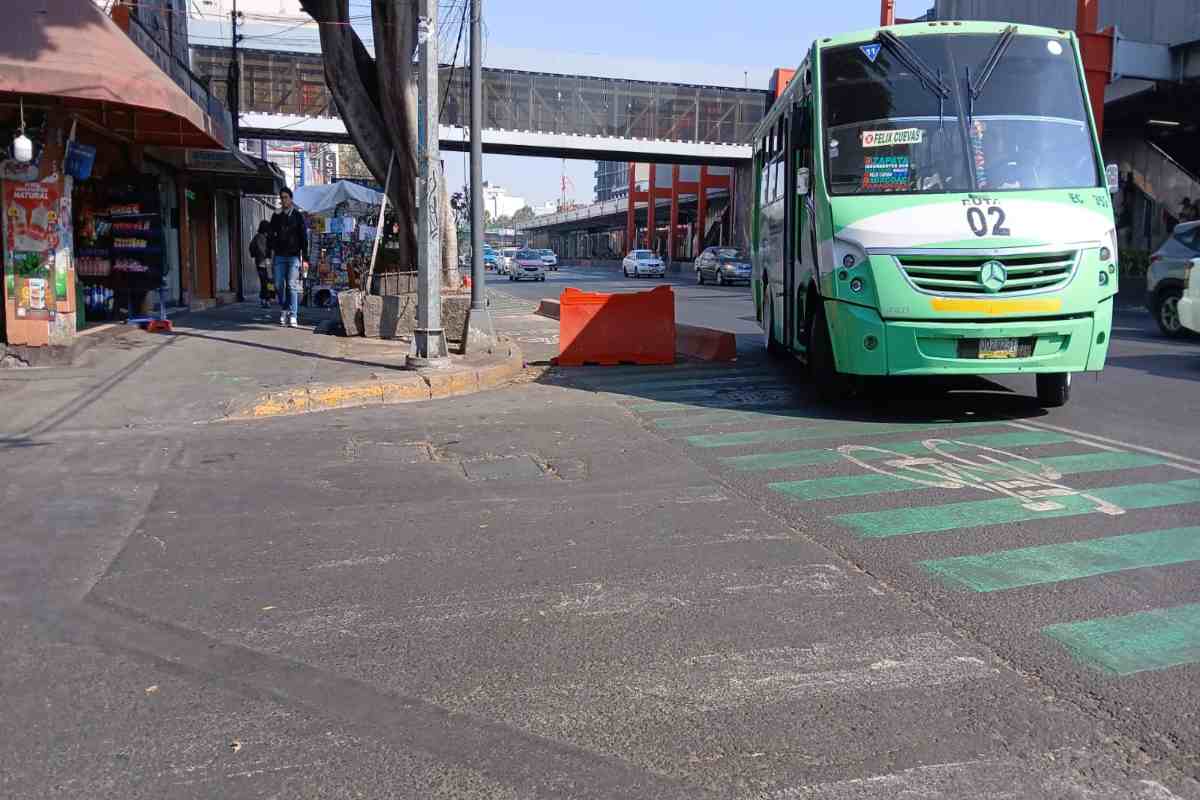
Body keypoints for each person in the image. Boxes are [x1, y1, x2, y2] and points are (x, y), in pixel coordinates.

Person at [267, 187, 309, 328]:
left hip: (293, 257)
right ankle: (285, 308)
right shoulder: (276, 216)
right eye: (282, 198)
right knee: (278, 285)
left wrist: (306, 258)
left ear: (291, 199)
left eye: (286, 197)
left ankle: (293, 315)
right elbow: (270, 236)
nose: (283, 200)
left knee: (291, 285)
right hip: (279, 256)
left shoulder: (298, 216)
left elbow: (303, 237)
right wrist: (269, 254)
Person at [249, 220, 272, 308]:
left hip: (260, 262)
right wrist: (266, 256)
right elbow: (264, 250)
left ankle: (264, 299)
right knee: (269, 281)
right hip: (267, 262)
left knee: (264, 282)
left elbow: (251, 247)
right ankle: (268, 299)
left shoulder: (257, 237)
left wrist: (255, 255)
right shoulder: (265, 238)